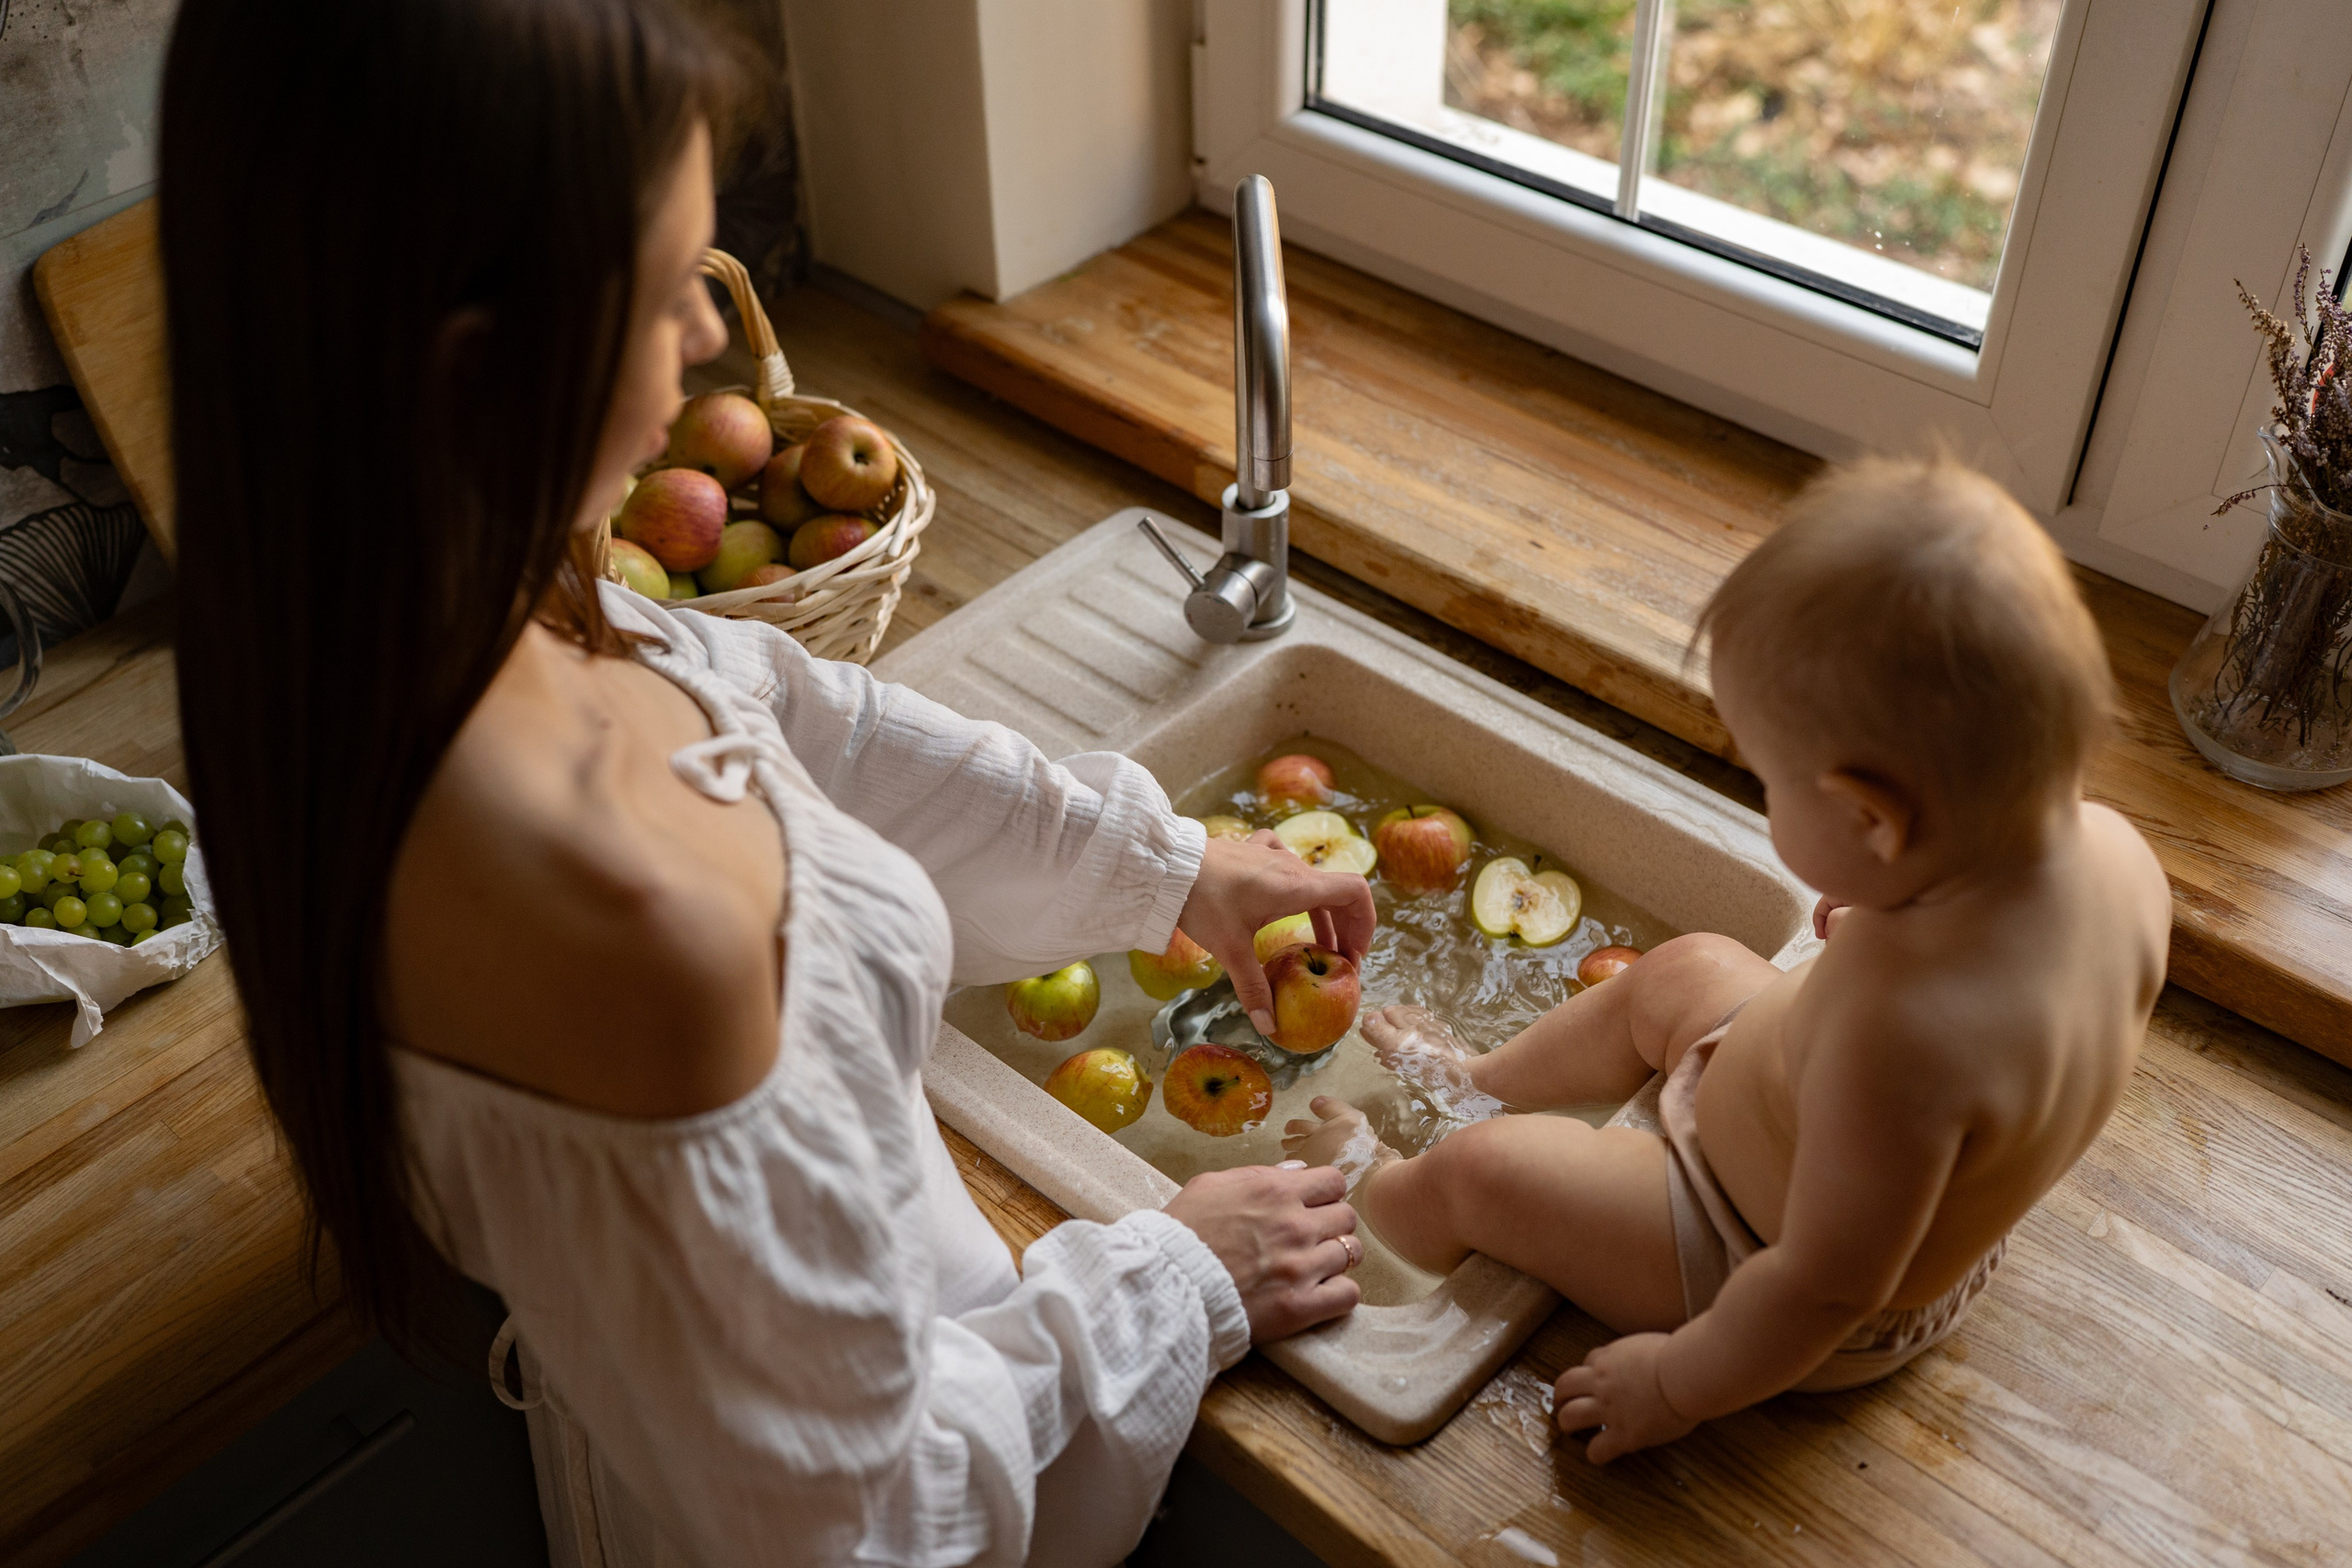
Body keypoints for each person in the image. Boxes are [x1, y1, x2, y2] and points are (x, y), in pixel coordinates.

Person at [159, 2, 1374, 1562]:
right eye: (667, 290)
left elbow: (802, 729)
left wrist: (1168, 869)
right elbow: (875, 1533)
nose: (711, 346)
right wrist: (1163, 1285)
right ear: (475, 378)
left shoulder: (427, 607)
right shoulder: (621, 925)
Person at [1284, 456, 2170, 1460]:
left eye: (1769, 784)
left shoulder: (1905, 1039)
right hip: (1807, 1136)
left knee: (1482, 1171)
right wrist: (1889, 905)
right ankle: (1475, 1078)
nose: (1762, 799)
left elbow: (1824, 1287)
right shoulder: (2112, 855)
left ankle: (1375, 1185)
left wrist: (1677, 1381)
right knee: (1685, 966)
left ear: (1872, 821)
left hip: (1754, 1257)